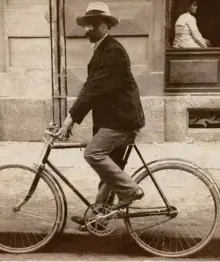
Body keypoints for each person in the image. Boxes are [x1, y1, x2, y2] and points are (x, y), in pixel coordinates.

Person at [57, 2, 146, 226]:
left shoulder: (112, 51)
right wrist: (73, 118)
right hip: (114, 118)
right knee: (110, 169)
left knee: (92, 154)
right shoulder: (103, 49)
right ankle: (99, 218)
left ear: (107, 25)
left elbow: (94, 88)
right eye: (86, 25)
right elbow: (91, 87)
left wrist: (70, 119)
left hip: (121, 121)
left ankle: (130, 191)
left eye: (93, 25)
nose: (88, 29)